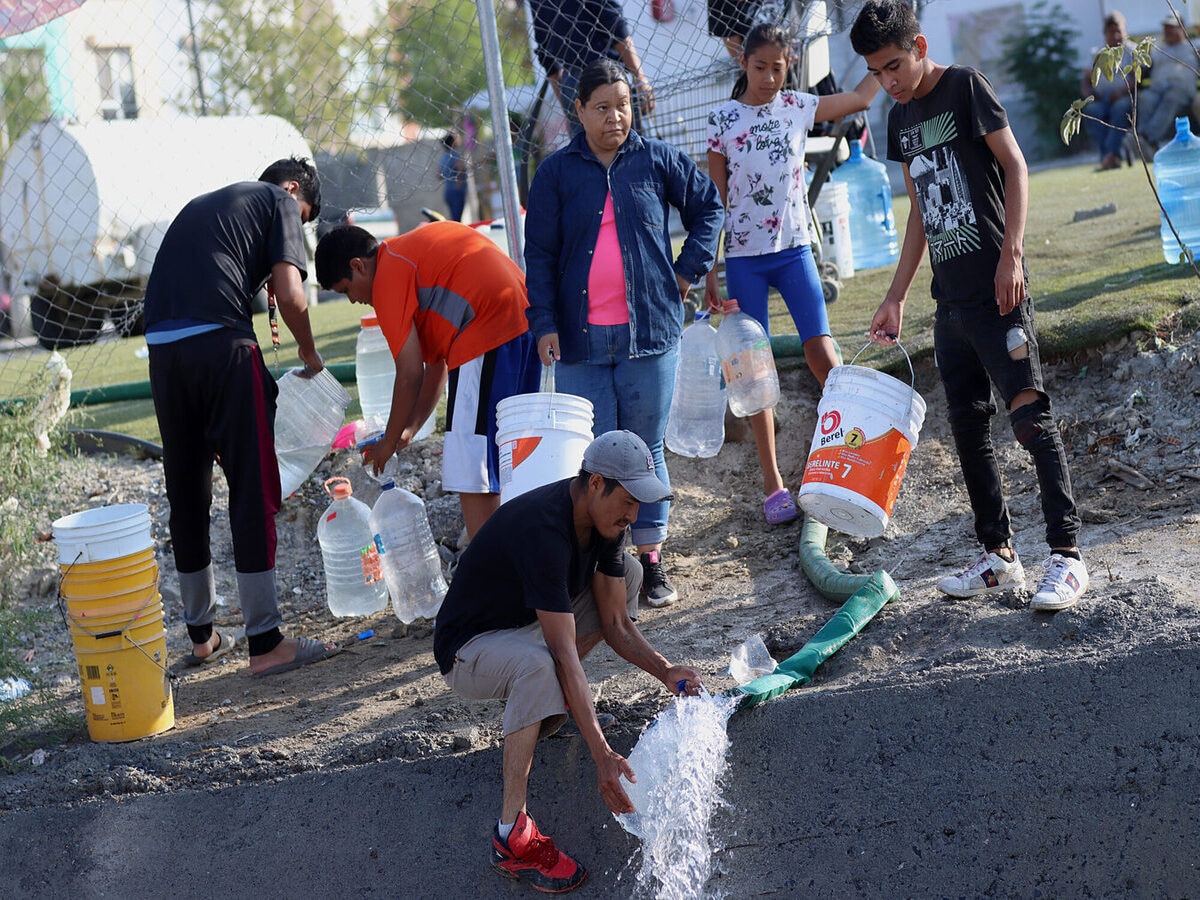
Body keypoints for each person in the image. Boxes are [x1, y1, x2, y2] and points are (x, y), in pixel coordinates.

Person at [849, 0, 1089, 612]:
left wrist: (1012, 253)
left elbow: (1016, 166)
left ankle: (1066, 556)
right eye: (877, 72)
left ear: (921, 46)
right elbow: (921, 216)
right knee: (967, 426)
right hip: (948, 299)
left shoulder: (965, 88)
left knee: (1029, 415)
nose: (889, 81)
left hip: (998, 288)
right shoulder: (899, 120)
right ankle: (999, 555)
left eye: (895, 65)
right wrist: (896, 295)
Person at [433, 429, 704, 892]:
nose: (634, 515)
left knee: (631, 574)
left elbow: (615, 622)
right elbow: (561, 652)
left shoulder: (605, 523)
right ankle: (510, 835)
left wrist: (665, 670)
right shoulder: (544, 529)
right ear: (596, 483)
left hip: (521, 630)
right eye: (628, 501)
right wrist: (602, 754)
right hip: (468, 649)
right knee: (539, 665)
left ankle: (545, 708)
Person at [524, 58, 724, 608]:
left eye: (624, 105)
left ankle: (651, 563)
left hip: (651, 335)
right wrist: (542, 322)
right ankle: (605, 569)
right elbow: (537, 255)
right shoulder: (555, 174)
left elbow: (709, 206)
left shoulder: (656, 160)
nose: (616, 117)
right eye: (603, 107)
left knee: (645, 450)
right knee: (596, 460)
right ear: (579, 112)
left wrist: (687, 271)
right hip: (580, 343)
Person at [144, 157, 341, 676]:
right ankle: (266, 641)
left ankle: (203, 636)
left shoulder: (212, 205)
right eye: (305, 218)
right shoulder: (278, 201)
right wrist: (309, 353)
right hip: (221, 348)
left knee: (187, 491)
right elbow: (293, 295)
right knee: (252, 487)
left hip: (163, 353)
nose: (297, 230)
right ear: (294, 191)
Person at [705, 22, 879, 526]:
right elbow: (714, 201)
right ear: (744, 64)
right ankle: (773, 482)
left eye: (778, 69)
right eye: (760, 68)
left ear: (790, 66)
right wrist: (711, 267)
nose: (768, 78)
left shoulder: (797, 107)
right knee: (754, 373)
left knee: (821, 352)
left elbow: (863, 97)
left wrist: (889, 54)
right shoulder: (723, 120)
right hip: (743, 260)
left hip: (794, 251)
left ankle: (851, 451)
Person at [314, 220, 539, 540]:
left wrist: (387, 444)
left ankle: (490, 567)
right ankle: (516, 551)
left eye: (346, 290)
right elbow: (436, 366)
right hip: (521, 323)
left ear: (358, 266)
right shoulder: (409, 258)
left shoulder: (387, 277)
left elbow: (408, 375)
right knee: (509, 455)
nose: (353, 301)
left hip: (488, 325)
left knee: (473, 465)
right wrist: (408, 430)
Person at [528, 0, 655, 135]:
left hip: (572, 80)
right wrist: (639, 77)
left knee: (588, 152)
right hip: (608, 74)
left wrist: (566, 99)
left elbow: (545, 46)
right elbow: (613, 22)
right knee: (638, 149)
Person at [1081, 10, 1135, 170]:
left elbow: (1136, 79)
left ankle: (1110, 155)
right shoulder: (1097, 53)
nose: (1116, 36)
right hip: (1101, 98)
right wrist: (1090, 95)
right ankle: (1111, 157)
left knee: (1120, 109)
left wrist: (1120, 93)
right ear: (1105, 33)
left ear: (1125, 31)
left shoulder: (1132, 51)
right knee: (1092, 111)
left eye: (1119, 31)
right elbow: (1085, 81)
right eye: (1111, 32)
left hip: (1125, 97)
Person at [1136, 16, 1198, 152]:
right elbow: (1144, 69)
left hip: (1181, 90)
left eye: (1172, 27)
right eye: (1166, 28)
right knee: (1145, 98)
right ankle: (1146, 142)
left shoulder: (1193, 46)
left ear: (1182, 28)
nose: (1168, 31)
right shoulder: (1157, 49)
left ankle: (1145, 138)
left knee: (1171, 98)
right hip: (1157, 89)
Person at [438, 132, 468, 222]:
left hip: (448, 191)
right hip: (457, 191)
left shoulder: (443, 157)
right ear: (453, 142)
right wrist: (458, 183)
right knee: (457, 219)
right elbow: (461, 169)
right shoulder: (455, 155)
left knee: (454, 218)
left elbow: (438, 174)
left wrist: (448, 176)